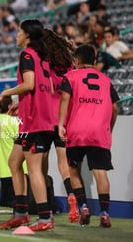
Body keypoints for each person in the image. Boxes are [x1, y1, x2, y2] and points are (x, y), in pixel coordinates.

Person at [0, 19, 54, 231]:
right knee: (14, 162)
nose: (15, 35)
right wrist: (22, 106)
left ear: (27, 35)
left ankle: (45, 218)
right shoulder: (42, 57)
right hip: (34, 119)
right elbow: (42, 88)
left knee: (34, 169)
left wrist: (6, 92)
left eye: (18, 32)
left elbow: (29, 84)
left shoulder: (27, 55)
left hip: (36, 123)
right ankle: (21, 214)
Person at [58, 44, 119, 228]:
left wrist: (61, 124)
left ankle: (83, 206)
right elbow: (114, 107)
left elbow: (64, 99)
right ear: (94, 61)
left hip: (76, 131)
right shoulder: (107, 80)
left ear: (76, 60)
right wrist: (109, 127)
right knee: (100, 172)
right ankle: (105, 213)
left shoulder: (69, 77)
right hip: (99, 132)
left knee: (74, 171)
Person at [43, 29, 78, 222]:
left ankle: (45, 205)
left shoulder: (45, 63)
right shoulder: (69, 62)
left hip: (48, 118)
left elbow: (46, 88)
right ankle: (71, 195)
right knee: (64, 164)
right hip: (66, 118)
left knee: (42, 164)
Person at [0, 96, 27, 208]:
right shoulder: (12, 122)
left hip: (1, 166)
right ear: (9, 106)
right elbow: (22, 138)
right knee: (16, 199)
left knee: (4, 200)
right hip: (15, 165)